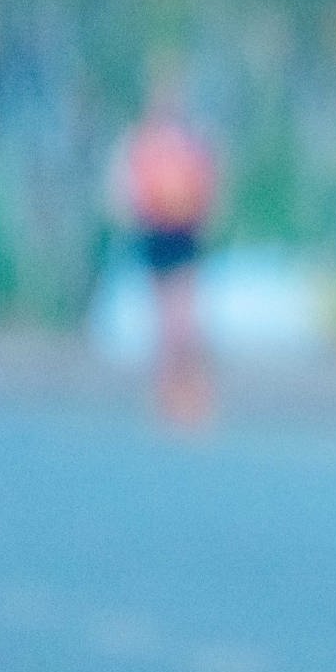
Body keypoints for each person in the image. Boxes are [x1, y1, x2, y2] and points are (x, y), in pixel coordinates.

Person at [111, 72, 220, 431]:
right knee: (165, 322)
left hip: (184, 233)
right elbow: (126, 187)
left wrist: (205, 216)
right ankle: (167, 396)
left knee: (183, 321)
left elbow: (210, 183)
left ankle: (191, 396)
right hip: (156, 232)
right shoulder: (143, 142)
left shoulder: (193, 141)